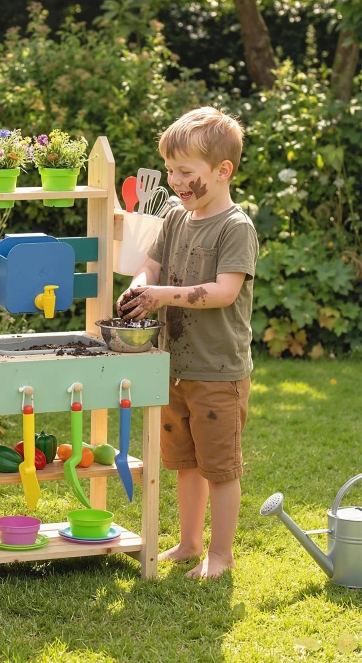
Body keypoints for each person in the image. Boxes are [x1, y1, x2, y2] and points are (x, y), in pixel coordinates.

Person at [117, 106, 258, 579]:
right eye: (171, 170)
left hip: (219, 370)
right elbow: (152, 267)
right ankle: (191, 542)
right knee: (185, 462)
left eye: (185, 172)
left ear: (222, 172)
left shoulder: (235, 227)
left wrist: (161, 296)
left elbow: (224, 291)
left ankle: (221, 554)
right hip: (174, 365)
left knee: (219, 467)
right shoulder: (177, 217)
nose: (175, 181)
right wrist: (140, 285)